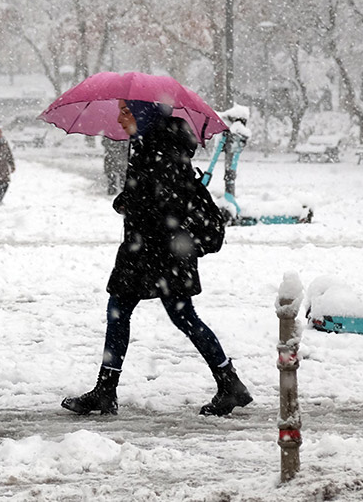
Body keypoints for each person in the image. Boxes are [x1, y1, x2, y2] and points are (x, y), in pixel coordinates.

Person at [62, 99, 251, 417]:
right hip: (153, 252)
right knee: (147, 314)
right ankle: (227, 381)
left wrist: (130, 202)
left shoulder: (157, 147)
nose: (120, 118)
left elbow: (164, 203)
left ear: (142, 114)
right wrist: (133, 199)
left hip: (158, 253)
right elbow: (158, 195)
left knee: (159, 315)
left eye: (125, 111)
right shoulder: (151, 143)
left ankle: (228, 382)